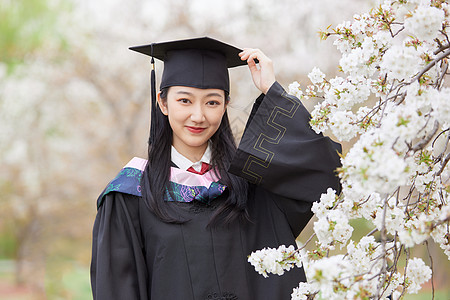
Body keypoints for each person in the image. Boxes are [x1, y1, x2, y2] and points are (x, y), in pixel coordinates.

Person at [90, 37, 341, 300]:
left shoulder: (252, 185)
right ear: (163, 103)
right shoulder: (132, 194)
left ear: (225, 105)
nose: (198, 116)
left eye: (212, 102)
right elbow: (116, 289)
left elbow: (328, 176)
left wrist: (272, 90)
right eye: (185, 101)